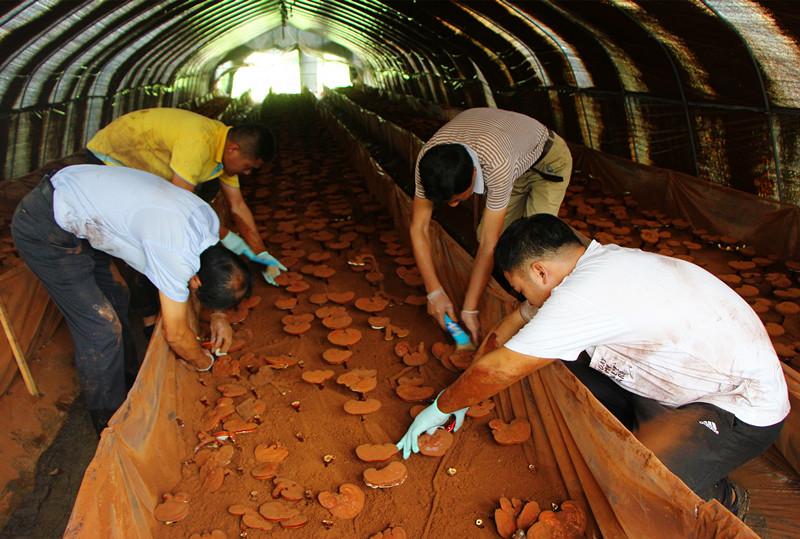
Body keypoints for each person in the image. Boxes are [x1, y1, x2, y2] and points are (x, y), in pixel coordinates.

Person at [397, 214, 789, 518]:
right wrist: (467, 391)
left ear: (539, 271)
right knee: (564, 365)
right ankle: (645, 434)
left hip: (741, 405)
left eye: (521, 288)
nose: (524, 297)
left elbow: (503, 368)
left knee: (638, 481)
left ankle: (723, 493)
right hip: (678, 383)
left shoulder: (585, 295)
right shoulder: (596, 265)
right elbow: (512, 326)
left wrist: (445, 404)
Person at [11, 164, 252, 433]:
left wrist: (219, 314)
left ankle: (127, 380)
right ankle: (108, 423)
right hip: (45, 227)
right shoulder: (175, 255)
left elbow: (216, 273)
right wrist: (204, 362)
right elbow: (176, 335)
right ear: (195, 280)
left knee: (118, 294)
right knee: (101, 327)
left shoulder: (208, 222)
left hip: (82, 208)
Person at [86, 107, 283, 335]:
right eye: (248, 167)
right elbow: (180, 214)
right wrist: (223, 252)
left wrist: (259, 253)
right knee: (146, 244)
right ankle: (148, 318)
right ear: (234, 149)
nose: (247, 173)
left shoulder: (223, 148)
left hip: (150, 169)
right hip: (112, 160)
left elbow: (237, 206)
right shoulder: (198, 144)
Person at [410, 108, 572, 345]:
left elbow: (489, 242)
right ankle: (503, 285)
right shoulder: (428, 162)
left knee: (534, 249)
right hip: (514, 159)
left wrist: (470, 308)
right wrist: (434, 291)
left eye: (458, 197)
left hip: (546, 161)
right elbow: (418, 227)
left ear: (475, 174)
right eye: (448, 201)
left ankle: (537, 314)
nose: (454, 205)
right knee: (486, 235)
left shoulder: (496, 165)